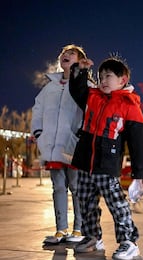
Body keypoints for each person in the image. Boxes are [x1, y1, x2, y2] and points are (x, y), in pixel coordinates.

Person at [69, 56, 143, 260]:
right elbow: (76, 90)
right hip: (86, 162)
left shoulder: (129, 104)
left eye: (108, 76)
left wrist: (139, 175)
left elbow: (138, 143)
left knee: (117, 204)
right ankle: (92, 237)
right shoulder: (92, 96)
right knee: (85, 202)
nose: (103, 80)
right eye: (100, 76)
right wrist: (80, 70)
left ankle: (128, 242)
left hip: (107, 164)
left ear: (122, 80)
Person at [31, 44, 91, 244]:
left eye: (71, 53)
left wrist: (82, 133)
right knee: (58, 186)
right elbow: (38, 109)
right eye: (64, 53)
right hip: (53, 145)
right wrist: (38, 132)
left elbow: (90, 110)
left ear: (80, 60)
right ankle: (61, 229)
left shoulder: (86, 84)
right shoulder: (50, 87)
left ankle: (79, 228)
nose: (66, 55)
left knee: (76, 186)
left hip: (74, 144)